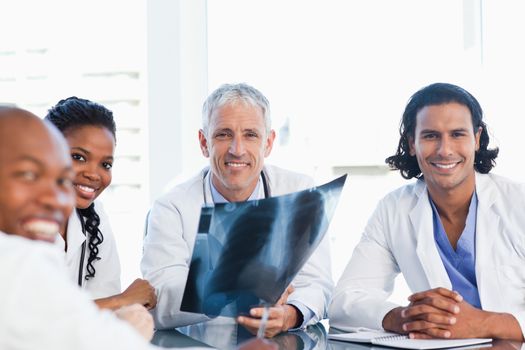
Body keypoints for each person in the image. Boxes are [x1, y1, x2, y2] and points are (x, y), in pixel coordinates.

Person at [0, 107, 277, 350]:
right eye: (29, 175)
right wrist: (120, 302)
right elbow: (71, 323)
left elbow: (88, 322)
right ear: (204, 142)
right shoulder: (16, 260)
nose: (53, 197)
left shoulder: (89, 220)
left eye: (60, 179)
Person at [329, 83, 525, 341]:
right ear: (412, 143)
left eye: (457, 134)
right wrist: (404, 318)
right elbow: (345, 300)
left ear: (476, 139)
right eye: (431, 135)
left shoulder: (517, 203)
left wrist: (486, 324)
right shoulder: (393, 210)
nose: (445, 150)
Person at [141, 83, 333, 337]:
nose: (237, 149)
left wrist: (289, 315)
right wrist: (234, 285)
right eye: (223, 134)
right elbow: (158, 299)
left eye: (251, 135)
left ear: (268, 143)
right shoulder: (171, 207)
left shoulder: (299, 191)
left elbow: (319, 284)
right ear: (203, 142)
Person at [44, 97, 157, 310]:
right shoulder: (15, 223)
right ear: (47, 152)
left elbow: (106, 299)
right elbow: (36, 317)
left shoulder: (93, 218)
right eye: (78, 157)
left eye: (106, 164)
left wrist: (120, 303)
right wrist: (122, 300)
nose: (94, 174)